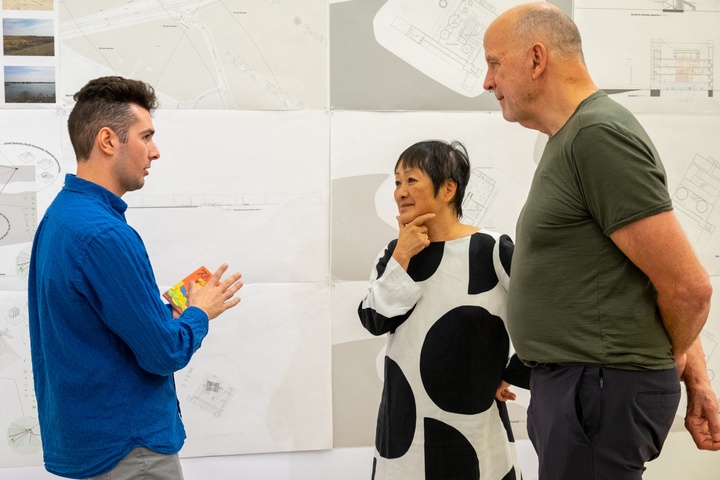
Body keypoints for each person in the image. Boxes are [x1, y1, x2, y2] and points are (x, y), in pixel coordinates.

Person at [482, 3, 719, 479]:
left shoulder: (597, 135)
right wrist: (694, 374)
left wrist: (666, 360)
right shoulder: (575, 137)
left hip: (597, 389)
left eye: (493, 63)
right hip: (584, 388)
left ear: (535, 58)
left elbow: (688, 288)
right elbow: (653, 273)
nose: (487, 83)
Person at [28, 76, 244, 479]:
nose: (155, 151)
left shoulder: (60, 217)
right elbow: (164, 354)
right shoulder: (106, 235)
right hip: (130, 453)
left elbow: (102, 326)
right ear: (109, 141)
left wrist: (175, 307)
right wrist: (200, 314)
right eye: (146, 136)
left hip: (90, 444)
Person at [358, 140, 530, 479]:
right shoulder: (394, 253)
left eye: (411, 180)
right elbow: (373, 320)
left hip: (475, 424)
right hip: (404, 426)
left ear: (448, 188)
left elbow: (544, 318)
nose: (400, 192)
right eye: (396, 182)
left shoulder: (492, 249)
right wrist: (402, 255)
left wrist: (513, 373)